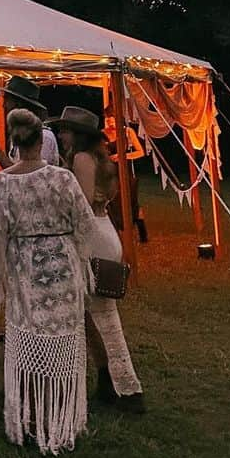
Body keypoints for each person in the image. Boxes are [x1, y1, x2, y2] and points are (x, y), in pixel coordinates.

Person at [0, 108, 96, 455]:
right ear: (39, 140)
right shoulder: (61, 178)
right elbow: (85, 222)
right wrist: (76, 255)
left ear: (13, 142)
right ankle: (59, 419)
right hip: (62, 268)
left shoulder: (1, 182)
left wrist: (1, 267)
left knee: (28, 345)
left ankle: (31, 419)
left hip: (25, 271)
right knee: (61, 346)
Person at [55, 106, 146, 413]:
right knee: (88, 315)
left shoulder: (81, 160)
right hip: (105, 229)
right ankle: (106, 379)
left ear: (78, 135)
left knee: (104, 317)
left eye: (66, 130)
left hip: (92, 235)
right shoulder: (99, 160)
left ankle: (129, 390)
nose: (61, 134)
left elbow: (78, 205)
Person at [0, 76, 61, 169]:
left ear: (18, 104)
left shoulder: (42, 136)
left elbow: (29, 176)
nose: (4, 105)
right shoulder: (17, 134)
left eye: (7, 100)